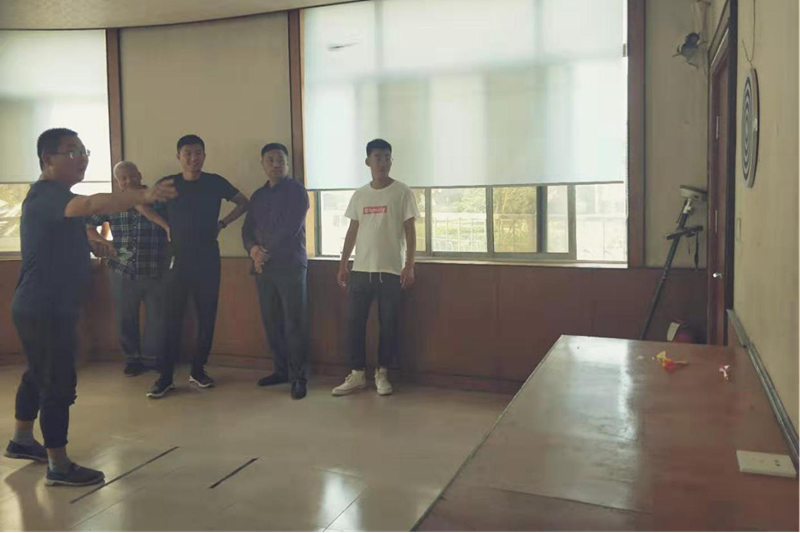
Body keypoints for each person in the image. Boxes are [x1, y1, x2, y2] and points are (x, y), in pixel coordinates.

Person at [5, 128, 176, 486]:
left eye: (84, 151)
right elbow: (92, 205)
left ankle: (21, 440)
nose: (81, 158)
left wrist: (95, 243)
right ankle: (59, 466)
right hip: (44, 306)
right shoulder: (47, 195)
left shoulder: (59, 200)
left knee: (40, 372)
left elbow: (74, 227)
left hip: (46, 305)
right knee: (57, 383)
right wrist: (143, 194)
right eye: (72, 151)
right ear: (47, 160)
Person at [148, 134, 249, 399]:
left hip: (207, 259)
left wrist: (222, 224)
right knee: (170, 318)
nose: (194, 158)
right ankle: (165, 377)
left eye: (198, 153)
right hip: (176, 259)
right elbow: (140, 204)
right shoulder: (168, 184)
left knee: (206, 317)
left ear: (204, 155)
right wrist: (165, 225)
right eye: (188, 153)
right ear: (178, 157)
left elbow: (244, 202)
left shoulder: (215, 182)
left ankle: (198, 370)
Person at [333, 139, 420, 396]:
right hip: (361, 270)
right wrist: (343, 264)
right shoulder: (360, 194)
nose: (382, 162)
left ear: (391, 161)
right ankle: (357, 374)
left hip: (390, 271)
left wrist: (410, 265)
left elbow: (410, 231)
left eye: (386, 157)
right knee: (354, 323)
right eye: (377, 157)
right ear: (367, 161)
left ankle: (382, 373)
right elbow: (352, 230)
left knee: (389, 324)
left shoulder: (402, 192)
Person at [86, 161, 171, 377]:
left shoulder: (158, 198)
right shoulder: (113, 202)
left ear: (140, 175)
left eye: (132, 176)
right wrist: (104, 243)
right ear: (118, 182)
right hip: (121, 268)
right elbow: (87, 225)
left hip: (155, 267)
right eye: (123, 178)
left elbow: (175, 227)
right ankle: (132, 359)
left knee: (157, 318)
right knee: (125, 317)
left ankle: (152, 359)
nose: (128, 181)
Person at [242, 143, 310, 400]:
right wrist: (252, 250)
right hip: (263, 268)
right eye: (270, 160)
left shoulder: (297, 192)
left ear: (288, 163)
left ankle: (298, 377)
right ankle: (281, 371)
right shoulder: (258, 196)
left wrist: (263, 253)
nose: (275, 164)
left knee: (294, 323)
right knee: (271, 321)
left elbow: (289, 229)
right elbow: (247, 229)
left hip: (290, 266)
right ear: (263, 164)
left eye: (280, 159)